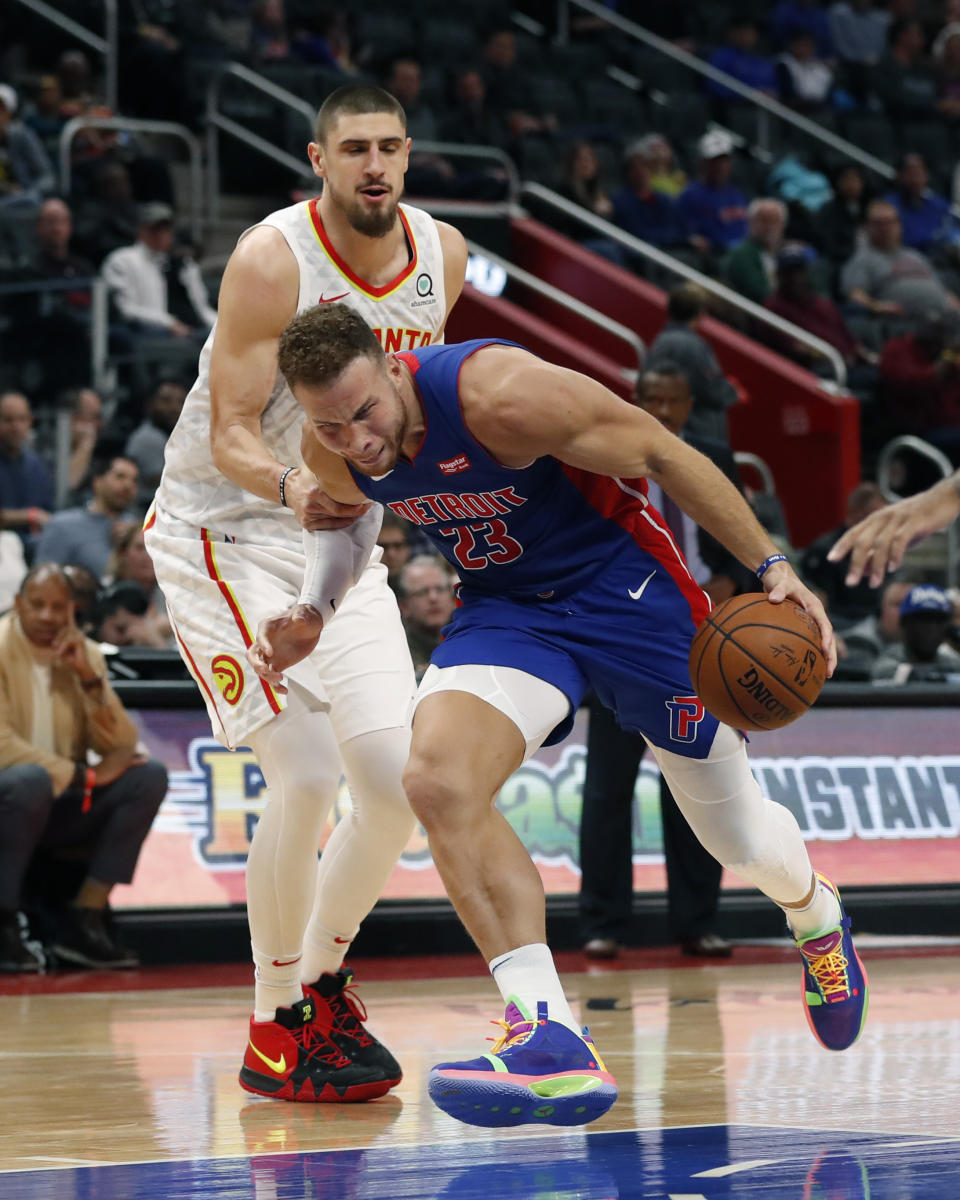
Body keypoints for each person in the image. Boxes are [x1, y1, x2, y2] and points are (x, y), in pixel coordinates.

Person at [250, 302, 866, 1132]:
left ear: (395, 368)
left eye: (366, 413)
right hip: (509, 611)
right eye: (331, 426)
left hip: (626, 594)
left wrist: (772, 566)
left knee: (739, 840)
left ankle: (816, 915)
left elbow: (662, 451)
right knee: (434, 780)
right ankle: (547, 1034)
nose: (356, 440)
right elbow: (348, 519)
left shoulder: (501, 396)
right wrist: (314, 607)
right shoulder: (328, 445)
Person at [143, 83, 468, 1104]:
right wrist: (294, 488)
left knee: (394, 782)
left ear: (408, 156)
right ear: (318, 160)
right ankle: (273, 1020)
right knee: (309, 772)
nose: (374, 165)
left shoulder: (442, 257)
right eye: (353, 149)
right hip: (224, 532)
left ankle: (322, 980)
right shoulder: (272, 258)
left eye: (389, 148)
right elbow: (235, 424)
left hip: (342, 534)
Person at [580, 364, 752, 962]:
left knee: (700, 782)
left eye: (667, 397)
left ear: (687, 403)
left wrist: (733, 588)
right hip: (625, 631)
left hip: (701, 635)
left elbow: (738, 533)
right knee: (607, 790)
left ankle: (698, 922)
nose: (657, 405)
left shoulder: (710, 457)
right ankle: (602, 922)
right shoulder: (607, 450)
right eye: (647, 396)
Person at [0, 564, 168, 972]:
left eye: (58, 606)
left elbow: (122, 746)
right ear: (18, 604)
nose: (47, 616)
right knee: (29, 780)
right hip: (13, 797)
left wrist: (89, 680)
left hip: (55, 803)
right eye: (37, 605)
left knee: (148, 777)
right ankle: (3, 924)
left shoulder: (85, 654)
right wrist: (85, 776)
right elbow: (3, 747)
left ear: (71, 611)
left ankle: (84, 920)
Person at [101, 202, 217, 343]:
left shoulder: (185, 265)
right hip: (153, 333)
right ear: (141, 230)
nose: (161, 234)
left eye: (166, 228)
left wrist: (221, 327)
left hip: (194, 332)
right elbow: (126, 309)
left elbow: (202, 308)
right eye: (155, 228)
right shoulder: (122, 260)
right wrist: (168, 323)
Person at [829, 467, 960, 585]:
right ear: (853, 515)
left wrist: (950, 495)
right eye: (871, 515)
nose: (879, 525)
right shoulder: (827, 549)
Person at [646, 282, 738, 443]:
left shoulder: (660, 341)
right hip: (697, 434)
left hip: (677, 430)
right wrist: (731, 391)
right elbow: (711, 389)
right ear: (700, 313)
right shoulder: (693, 345)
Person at [840, 200, 960, 320]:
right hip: (905, 324)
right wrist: (876, 307)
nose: (885, 228)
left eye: (890, 222)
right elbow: (855, 294)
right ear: (867, 227)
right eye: (879, 223)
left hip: (946, 318)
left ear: (899, 225)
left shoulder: (915, 255)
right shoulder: (862, 259)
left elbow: (943, 291)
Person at [34, 454, 140, 581]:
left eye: (134, 480)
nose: (128, 485)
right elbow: (41, 581)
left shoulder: (139, 530)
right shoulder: (62, 526)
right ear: (97, 482)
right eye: (120, 477)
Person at [800, 482, 889, 629]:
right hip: (838, 625)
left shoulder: (883, 548)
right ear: (855, 515)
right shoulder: (824, 551)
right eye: (878, 518)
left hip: (875, 622)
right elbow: (823, 605)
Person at [0, 391, 55, 557]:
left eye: (21, 419)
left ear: (30, 422)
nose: (16, 427)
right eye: (8, 420)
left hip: (34, 545)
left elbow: (48, 512)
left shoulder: (36, 465)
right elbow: (38, 515)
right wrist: (30, 515)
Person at [871, 584, 960, 681]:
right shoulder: (887, 664)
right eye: (923, 619)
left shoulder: (953, 664)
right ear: (904, 623)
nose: (932, 628)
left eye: (939, 621)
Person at [124, 376, 188, 507]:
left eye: (181, 401)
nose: (174, 408)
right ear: (149, 405)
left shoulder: (176, 436)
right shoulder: (148, 438)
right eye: (166, 401)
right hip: (145, 513)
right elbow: (165, 483)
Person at [397, 555, 456, 681]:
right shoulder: (397, 652)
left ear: (452, 599)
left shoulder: (468, 639)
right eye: (422, 592)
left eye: (440, 589)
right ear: (404, 606)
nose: (433, 598)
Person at [724, 198, 788, 304]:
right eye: (764, 220)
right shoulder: (741, 254)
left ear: (783, 225)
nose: (769, 226)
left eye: (775, 220)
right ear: (750, 222)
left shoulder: (788, 252)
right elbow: (759, 293)